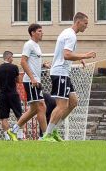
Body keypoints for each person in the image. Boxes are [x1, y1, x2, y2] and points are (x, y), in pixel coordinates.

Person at [43, 11, 96, 141]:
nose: (86, 26)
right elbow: (66, 55)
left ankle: (54, 130)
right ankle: (47, 134)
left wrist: (78, 58)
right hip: (60, 73)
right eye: (85, 23)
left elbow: (67, 53)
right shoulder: (71, 35)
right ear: (78, 22)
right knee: (62, 105)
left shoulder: (68, 33)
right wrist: (85, 55)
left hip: (63, 73)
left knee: (73, 102)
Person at [11, 24, 47, 139]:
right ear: (32, 33)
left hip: (36, 81)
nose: (42, 33)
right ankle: (44, 135)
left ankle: (44, 135)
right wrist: (32, 78)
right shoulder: (29, 44)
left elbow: (32, 63)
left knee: (41, 107)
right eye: (39, 31)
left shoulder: (37, 46)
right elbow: (23, 62)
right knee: (37, 108)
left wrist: (43, 65)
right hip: (31, 81)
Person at [0, 51, 23, 140]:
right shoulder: (14, 67)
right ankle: (20, 135)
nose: (13, 59)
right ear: (9, 57)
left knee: (4, 117)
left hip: (2, 94)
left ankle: (7, 137)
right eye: (12, 57)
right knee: (19, 115)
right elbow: (19, 80)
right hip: (13, 94)